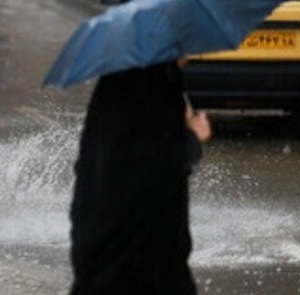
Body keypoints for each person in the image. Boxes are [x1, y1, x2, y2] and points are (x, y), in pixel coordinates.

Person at [69, 61, 211, 294]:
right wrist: (192, 136)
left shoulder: (119, 83)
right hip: (139, 262)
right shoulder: (152, 88)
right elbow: (153, 167)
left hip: (103, 255)